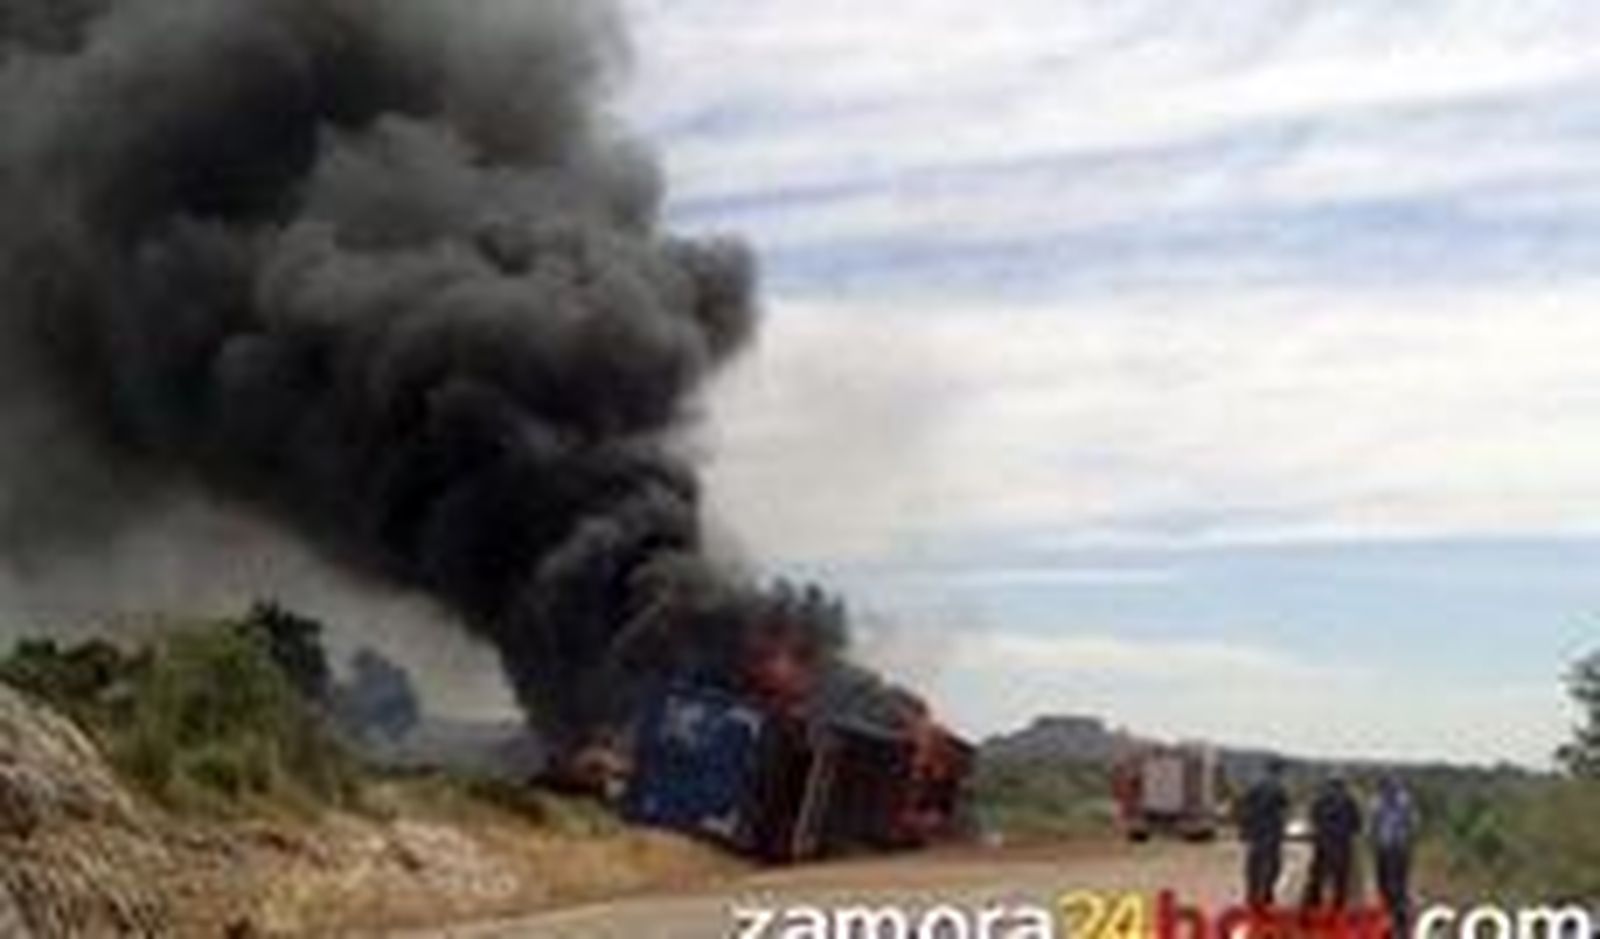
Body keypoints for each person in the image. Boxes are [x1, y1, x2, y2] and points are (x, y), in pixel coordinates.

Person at [1236, 758, 1291, 908]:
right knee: (1273, 864)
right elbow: (1284, 809)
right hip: (1272, 831)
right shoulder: (1279, 787)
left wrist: (1244, 829)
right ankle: (1267, 892)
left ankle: (1251, 894)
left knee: (1254, 863)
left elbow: (1244, 807)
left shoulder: (1255, 785)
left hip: (1256, 830)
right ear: (1279, 771)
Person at [1303, 775, 1363, 911]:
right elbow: (1357, 823)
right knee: (1340, 875)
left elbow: (1313, 817)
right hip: (1342, 842)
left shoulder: (1320, 799)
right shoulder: (1349, 800)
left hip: (1323, 840)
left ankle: (1313, 902)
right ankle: (1338, 904)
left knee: (1318, 873)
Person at [1371, 776, 1419, 937]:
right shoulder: (1380, 803)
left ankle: (1398, 918)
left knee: (1395, 884)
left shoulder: (1400, 802)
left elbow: (1412, 824)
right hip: (1389, 847)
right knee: (1389, 883)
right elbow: (1373, 826)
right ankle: (1394, 916)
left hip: (1394, 848)